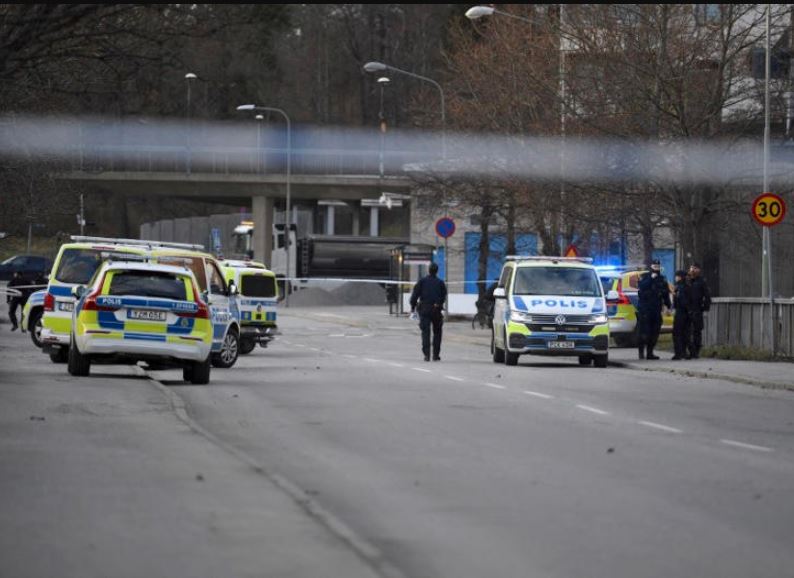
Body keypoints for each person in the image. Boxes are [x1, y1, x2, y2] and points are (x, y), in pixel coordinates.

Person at [410, 262, 447, 362]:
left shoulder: (422, 281)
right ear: (437, 271)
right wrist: (438, 303)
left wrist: (413, 307)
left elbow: (415, 295)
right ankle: (436, 355)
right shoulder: (440, 283)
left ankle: (427, 355)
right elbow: (444, 296)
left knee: (425, 333)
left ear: (429, 270)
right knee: (437, 332)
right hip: (436, 310)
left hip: (425, 309)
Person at [636, 259, 671, 360]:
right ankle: (641, 352)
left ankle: (650, 352)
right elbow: (642, 287)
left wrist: (668, 305)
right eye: (654, 266)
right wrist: (651, 279)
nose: (656, 268)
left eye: (658, 266)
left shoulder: (662, 279)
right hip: (645, 310)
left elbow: (665, 293)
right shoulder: (645, 277)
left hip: (656, 309)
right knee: (643, 332)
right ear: (651, 267)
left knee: (654, 332)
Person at [686, 262, 711, 359]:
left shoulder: (701, 281)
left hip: (697, 309)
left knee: (697, 331)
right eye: (691, 268)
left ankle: (695, 351)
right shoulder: (687, 280)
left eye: (695, 268)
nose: (692, 270)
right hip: (687, 309)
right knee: (687, 331)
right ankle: (689, 350)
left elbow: (707, 295)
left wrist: (705, 307)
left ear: (699, 270)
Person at [671, 270, 690, 360]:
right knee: (685, 333)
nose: (675, 277)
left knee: (677, 333)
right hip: (686, 313)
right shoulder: (686, 286)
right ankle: (684, 352)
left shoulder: (680, 287)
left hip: (680, 312)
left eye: (677, 276)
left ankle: (679, 353)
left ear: (680, 277)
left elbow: (682, 301)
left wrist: (675, 295)